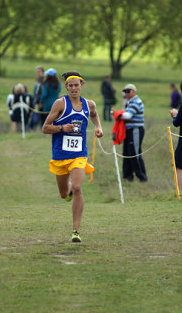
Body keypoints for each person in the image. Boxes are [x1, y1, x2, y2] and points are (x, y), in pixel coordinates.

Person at [42, 71, 103, 243]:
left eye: (77, 85)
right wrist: (61, 129)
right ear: (66, 87)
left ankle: (75, 231)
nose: (74, 88)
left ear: (82, 85)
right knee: (64, 194)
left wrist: (99, 128)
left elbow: (94, 114)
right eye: (71, 86)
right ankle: (67, 190)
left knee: (77, 187)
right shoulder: (60, 104)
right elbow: (45, 128)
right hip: (60, 155)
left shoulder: (89, 104)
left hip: (79, 155)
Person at [112, 84, 147, 182]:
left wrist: (116, 114)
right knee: (126, 153)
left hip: (135, 130)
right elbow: (124, 111)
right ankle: (128, 176)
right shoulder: (129, 102)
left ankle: (142, 177)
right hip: (129, 131)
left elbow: (128, 116)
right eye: (125, 91)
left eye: (128, 91)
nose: (126, 93)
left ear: (134, 92)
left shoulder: (136, 102)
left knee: (134, 154)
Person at [29, 66, 44, 131]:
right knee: (35, 114)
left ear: (42, 72)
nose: (37, 73)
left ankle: (40, 128)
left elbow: (42, 92)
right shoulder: (38, 81)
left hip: (40, 101)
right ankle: (33, 128)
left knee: (40, 115)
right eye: (37, 72)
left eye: (39, 72)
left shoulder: (43, 80)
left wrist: (40, 101)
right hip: (36, 101)